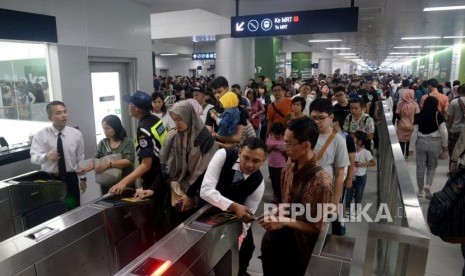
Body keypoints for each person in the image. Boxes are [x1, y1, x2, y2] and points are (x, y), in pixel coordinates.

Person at [259, 117, 333, 276]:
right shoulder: (288, 167)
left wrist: (284, 221)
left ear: (306, 145)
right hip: (277, 247)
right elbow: (287, 202)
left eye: (289, 143)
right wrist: (276, 213)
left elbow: (316, 227)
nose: (284, 148)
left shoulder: (322, 183)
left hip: (300, 255)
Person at [200, 138, 267, 276]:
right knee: (204, 251)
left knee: (247, 249)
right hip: (208, 208)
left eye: (256, 161)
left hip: (233, 217)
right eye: (246, 158)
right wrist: (234, 206)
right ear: (239, 152)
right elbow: (206, 191)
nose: (249, 165)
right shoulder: (223, 155)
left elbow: (247, 217)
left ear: (264, 161)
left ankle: (239, 272)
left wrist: (237, 241)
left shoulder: (258, 183)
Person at [110, 90, 168, 239]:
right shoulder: (155, 120)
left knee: (153, 221)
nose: (128, 106)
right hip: (163, 175)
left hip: (154, 177)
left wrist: (123, 182)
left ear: (138, 109)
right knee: (160, 217)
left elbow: (146, 164)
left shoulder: (143, 129)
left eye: (131, 104)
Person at [160, 101, 218, 228]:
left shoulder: (204, 140)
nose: (177, 123)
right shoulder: (178, 135)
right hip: (182, 187)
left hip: (200, 190)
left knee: (195, 226)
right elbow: (167, 160)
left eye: (179, 119)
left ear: (189, 116)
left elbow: (205, 170)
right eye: (174, 120)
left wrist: (190, 194)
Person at [30, 101, 86, 210]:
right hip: (51, 180)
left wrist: (83, 178)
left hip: (71, 179)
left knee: (73, 210)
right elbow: (33, 158)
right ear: (50, 117)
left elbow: (80, 157)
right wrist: (46, 156)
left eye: (65, 111)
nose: (64, 115)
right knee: (54, 211)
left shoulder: (76, 134)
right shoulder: (41, 135)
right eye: (59, 113)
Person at [78, 115, 135, 195]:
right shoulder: (102, 143)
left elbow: (129, 160)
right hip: (107, 185)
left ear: (116, 127)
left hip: (125, 184)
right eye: (104, 129)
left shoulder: (127, 142)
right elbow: (95, 159)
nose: (105, 131)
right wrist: (86, 169)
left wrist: (109, 164)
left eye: (107, 129)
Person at [410, 96, 448, 199]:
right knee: (432, 166)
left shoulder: (419, 115)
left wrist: (411, 148)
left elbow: (414, 132)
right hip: (435, 143)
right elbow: (444, 132)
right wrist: (445, 147)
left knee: (420, 167)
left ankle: (421, 190)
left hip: (421, 142)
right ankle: (428, 184)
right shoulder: (438, 115)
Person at [205, 76, 246, 148]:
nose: (217, 95)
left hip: (233, 150)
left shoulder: (239, 110)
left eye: (219, 91)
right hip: (217, 150)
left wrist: (217, 136)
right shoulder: (212, 111)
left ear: (227, 89)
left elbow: (237, 137)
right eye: (214, 93)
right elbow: (207, 136)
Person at [345, 131, 376, 217]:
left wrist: (362, 164)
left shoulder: (366, 152)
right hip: (351, 176)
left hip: (361, 177)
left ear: (359, 141)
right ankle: (347, 210)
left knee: (358, 195)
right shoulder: (351, 151)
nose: (352, 139)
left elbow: (373, 163)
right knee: (349, 194)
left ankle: (356, 210)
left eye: (354, 138)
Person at [396, 90, 420, 159]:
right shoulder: (415, 105)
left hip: (402, 125)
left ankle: (401, 156)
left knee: (402, 142)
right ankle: (407, 154)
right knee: (409, 140)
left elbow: (396, 114)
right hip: (411, 125)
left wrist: (401, 118)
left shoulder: (401, 104)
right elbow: (417, 116)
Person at [266, 123, 286, 203]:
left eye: (279, 134)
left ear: (282, 133)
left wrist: (283, 151)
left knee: (278, 182)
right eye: (275, 134)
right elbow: (267, 151)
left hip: (281, 165)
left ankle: (280, 199)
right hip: (271, 164)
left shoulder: (285, 140)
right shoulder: (270, 138)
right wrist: (271, 148)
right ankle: (276, 196)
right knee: (273, 181)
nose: (277, 136)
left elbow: (287, 154)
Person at [447, 84, 465, 171]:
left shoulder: (454, 102)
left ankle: (452, 170)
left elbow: (450, 118)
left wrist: (449, 129)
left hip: (455, 130)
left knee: (453, 151)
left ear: (460, 91)